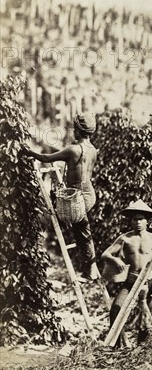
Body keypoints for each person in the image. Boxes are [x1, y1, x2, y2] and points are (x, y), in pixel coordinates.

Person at [24, 112, 99, 280]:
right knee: (81, 230)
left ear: (78, 131)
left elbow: (45, 157)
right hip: (88, 194)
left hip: (78, 197)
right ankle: (90, 268)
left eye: (74, 129)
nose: (73, 132)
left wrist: (28, 152)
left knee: (80, 230)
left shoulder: (73, 150)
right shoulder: (92, 149)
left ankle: (90, 270)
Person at [101, 199, 152, 348]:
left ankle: (142, 346)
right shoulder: (125, 238)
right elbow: (105, 254)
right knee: (116, 308)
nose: (138, 222)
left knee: (146, 316)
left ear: (147, 221)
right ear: (131, 221)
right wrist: (116, 261)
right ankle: (116, 344)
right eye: (135, 219)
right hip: (130, 281)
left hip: (147, 283)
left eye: (141, 219)